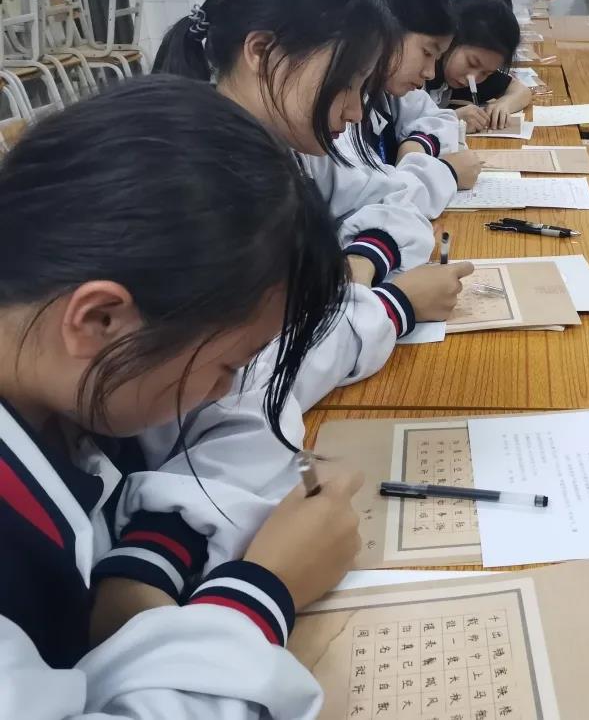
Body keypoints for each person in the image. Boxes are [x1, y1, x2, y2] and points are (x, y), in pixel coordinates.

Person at [121, 0, 472, 616]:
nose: (355, 111)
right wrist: (389, 306)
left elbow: (245, 383)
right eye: (348, 84)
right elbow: (246, 378)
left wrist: (358, 268)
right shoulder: (194, 182)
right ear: (263, 51)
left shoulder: (279, 145)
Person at [0, 75, 363, 717]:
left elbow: (242, 409)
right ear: (99, 319)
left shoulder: (67, 372)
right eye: (226, 364)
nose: (227, 387)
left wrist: (146, 556)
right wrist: (260, 593)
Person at [359, 0, 483, 218]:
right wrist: (448, 173)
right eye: (427, 52)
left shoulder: (387, 88)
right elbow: (373, 203)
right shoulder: (340, 109)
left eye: (437, 58)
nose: (430, 72)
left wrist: (417, 144)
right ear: (384, 27)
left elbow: (440, 119)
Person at [426, 0, 530, 133]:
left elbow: (522, 91)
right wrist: (453, 119)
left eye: (486, 73)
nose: (473, 79)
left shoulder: (473, 77)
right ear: (451, 39)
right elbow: (405, 126)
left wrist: (504, 104)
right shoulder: (423, 72)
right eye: (472, 63)